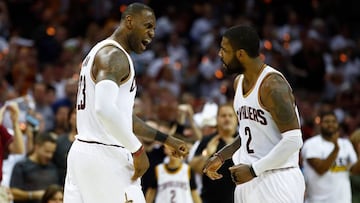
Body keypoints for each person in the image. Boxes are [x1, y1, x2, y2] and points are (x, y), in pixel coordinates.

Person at [63, 3, 188, 203]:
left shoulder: (98, 51)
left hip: (82, 154)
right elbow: (104, 110)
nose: (152, 33)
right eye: (147, 26)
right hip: (105, 157)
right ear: (129, 21)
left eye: (154, 28)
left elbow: (119, 117)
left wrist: (166, 139)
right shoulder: (115, 56)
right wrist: (138, 150)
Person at [202, 25, 305, 202]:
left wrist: (253, 170)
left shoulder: (272, 85)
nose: (220, 54)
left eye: (225, 50)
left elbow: (294, 140)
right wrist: (222, 156)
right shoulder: (238, 82)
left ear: (240, 54)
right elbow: (250, 133)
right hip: (247, 179)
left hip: (277, 179)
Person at [301, 111, 360, 203]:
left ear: (338, 125)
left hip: (343, 200)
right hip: (317, 201)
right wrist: (336, 149)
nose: (330, 124)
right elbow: (321, 169)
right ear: (320, 124)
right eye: (327, 121)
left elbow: (354, 170)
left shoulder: (346, 144)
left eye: (333, 121)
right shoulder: (311, 144)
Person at [189, 104, 238, 203]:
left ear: (236, 119)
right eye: (223, 116)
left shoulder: (243, 140)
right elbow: (194, 168)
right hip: (210, 199)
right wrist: (206, 153)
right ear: (217, 119)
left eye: (230, 115)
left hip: (239, 199)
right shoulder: (208, 140)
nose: (227, 119)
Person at [10, 132, 59, 203]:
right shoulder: (21, 166)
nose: (50, 156)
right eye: (47, 151)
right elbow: (13, 192)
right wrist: (33, 195)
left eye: (52, 152)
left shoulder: (53, 167)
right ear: (37, 147)